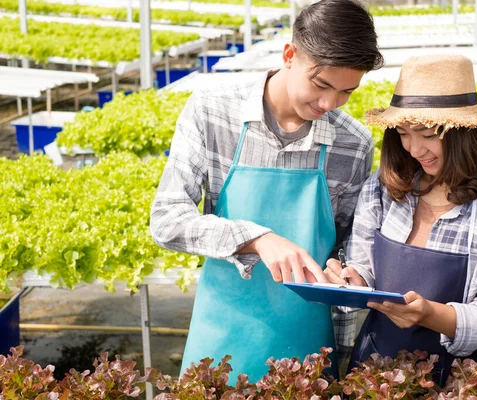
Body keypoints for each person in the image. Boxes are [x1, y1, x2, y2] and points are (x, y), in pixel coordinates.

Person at [150, 0, 384, 382]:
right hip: (222, 336)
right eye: (321, 84)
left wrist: (349, 268)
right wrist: (256, 238)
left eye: (346, 93)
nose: (329, 104)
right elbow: (167, 219)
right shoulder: (212, 113)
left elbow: (348, 240)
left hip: (308, 340)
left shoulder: (353, 142)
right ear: (289, 55)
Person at [323, 54, 477, 385]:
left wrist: (433, 315)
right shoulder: (383, 189)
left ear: (463, 133)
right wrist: (353, 281)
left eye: (427, 134)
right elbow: (365, 267)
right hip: (374, 373)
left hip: (458, 381)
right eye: (402, 132)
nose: (413, 149)